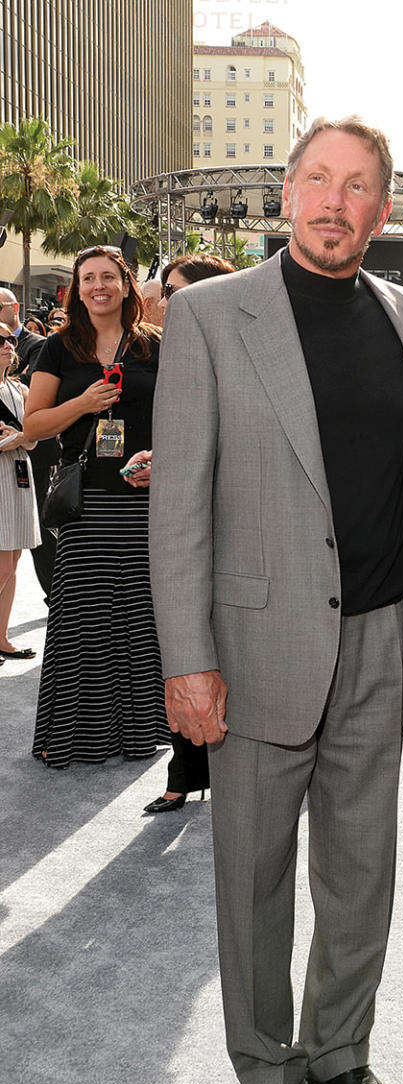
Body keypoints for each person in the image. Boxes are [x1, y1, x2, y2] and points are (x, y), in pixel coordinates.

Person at [149, 116, 403, 1084]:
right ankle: (266, 1070)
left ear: (382, 207)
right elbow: (177, 503)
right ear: (286, 195)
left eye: (359, 186)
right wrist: (188, 659)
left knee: (362, 871)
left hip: (379, 642)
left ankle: (340, 1051)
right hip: (254, 643)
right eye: (318, 179)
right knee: (255, 877)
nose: (336, 202)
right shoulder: (210, 315)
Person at [22, 246, 167, 768]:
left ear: (127, 285)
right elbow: (33, 426)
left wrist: (165, 460)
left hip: (146, 500)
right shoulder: (59, 349)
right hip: (88, 506)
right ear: (76, 290)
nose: (98, 286)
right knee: (82, 617)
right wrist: (83, 405)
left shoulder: (154, 345)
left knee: (138, 617)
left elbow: (186, 416)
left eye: (109, 277)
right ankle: (75, 734)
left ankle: (137, 733)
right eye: (88, 279)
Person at [140, 254, 237, 817]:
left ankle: (233, 774)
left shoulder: (244, 346)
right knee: (185, 651)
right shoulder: (158, 349)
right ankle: (183, 772)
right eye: (166, 290)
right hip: (186, 527)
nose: (167, 299)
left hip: (242, 535)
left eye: (178, 290)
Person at [0, 327, 40, 663]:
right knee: (2, 562)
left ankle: (2, 637)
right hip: (2, 474)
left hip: (19, 472)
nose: (7, 346)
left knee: (13, 561)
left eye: (10, 340)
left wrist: (20, 438)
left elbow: (33, 438)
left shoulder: (20, 388)